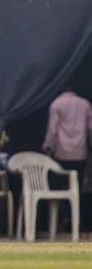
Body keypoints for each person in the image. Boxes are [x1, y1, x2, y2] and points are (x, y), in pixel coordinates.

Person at [42, 89, 92, 230]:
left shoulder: (57, 103)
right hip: (80, 152)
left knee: (59, 187)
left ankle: (66, 216)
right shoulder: (85, 103)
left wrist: (47, 147)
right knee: (77, 187)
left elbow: (53, 129)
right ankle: (77, 220)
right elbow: (90, 128)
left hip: (62, 153)